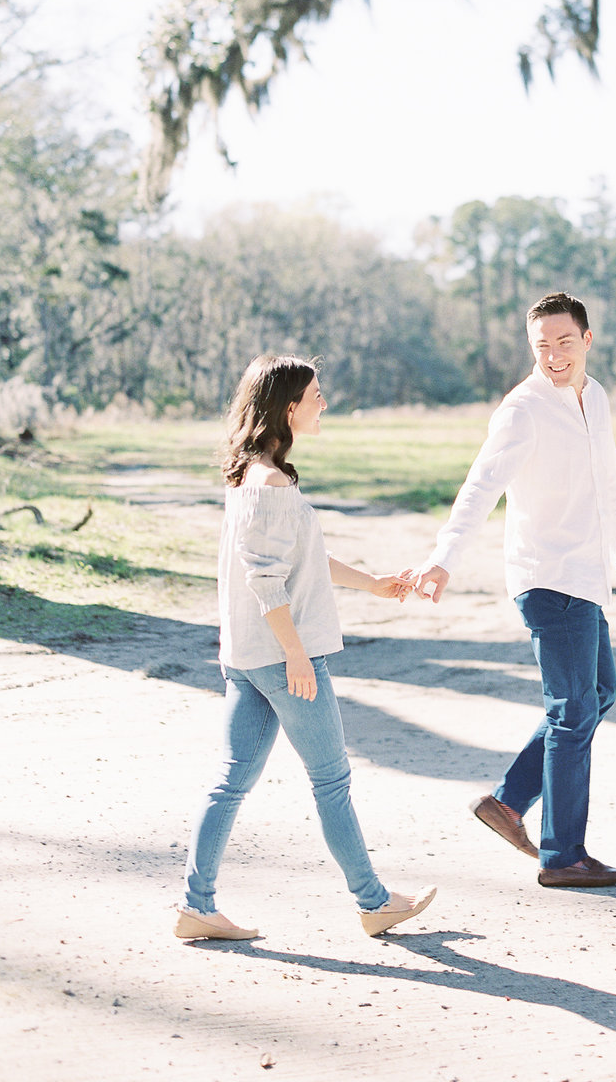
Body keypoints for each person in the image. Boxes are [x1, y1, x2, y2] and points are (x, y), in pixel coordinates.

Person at [176, 354, 436, 941]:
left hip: (246, 658)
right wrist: (296, 654)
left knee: (231, 780)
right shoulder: (268, 485)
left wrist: (371, 583)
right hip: (280, 657)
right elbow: (265, 582)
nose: (325, 404)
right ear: (288, 407)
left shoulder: (254, 477)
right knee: (331, 780)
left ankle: (196, 906)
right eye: (316, 395)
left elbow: (300, 561)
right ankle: (374, 902)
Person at [411, 292, 616, 888]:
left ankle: (509, 802)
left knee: (597, 694)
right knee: (572, 712)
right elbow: (480, 487)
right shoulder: (524, 409)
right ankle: (562, 855)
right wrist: (443, 560)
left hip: (586, 576)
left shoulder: (596, 398)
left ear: (587, 340)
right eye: (541, 345)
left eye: (564, 342)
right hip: (546, 577)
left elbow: (607, 483)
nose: (553, 355)